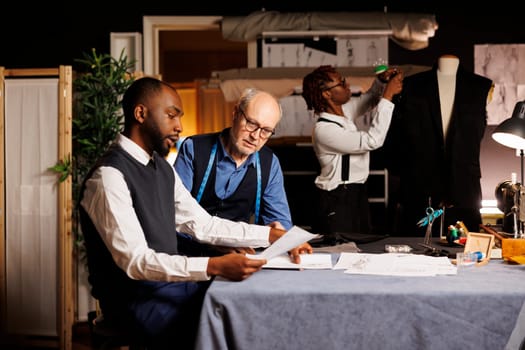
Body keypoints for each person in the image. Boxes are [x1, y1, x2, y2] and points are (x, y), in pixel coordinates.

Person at [78, 77, 312, 350]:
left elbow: (202, 224)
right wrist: (214, 266)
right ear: (140, 114)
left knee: (248, 307)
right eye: (170, 116)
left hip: (171, 287)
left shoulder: (162, 169)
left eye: (179, 118)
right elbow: (137, 263)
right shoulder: (109, 176)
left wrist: (272, 235)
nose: (178, 127)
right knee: (234, 322)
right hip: (135, 301)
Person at [174, 87, 292, 256]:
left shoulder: (269, 163)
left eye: (266, 131)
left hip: (239, 257)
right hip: (189, 255)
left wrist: (279, 230)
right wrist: (216, 244)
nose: (255, 136)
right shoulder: (194, 149)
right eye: (251, 124)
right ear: (236, 112)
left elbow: (281, 226)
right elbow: (176, 216)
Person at [384, 54, 493, 236]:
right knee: (415, 248)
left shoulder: (480, 86)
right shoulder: (413, 85)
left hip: (464, 184)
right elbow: (396, 134)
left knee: (464, 249)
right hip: (419, 185)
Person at [301, 65, 403, 244]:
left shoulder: (342, 114)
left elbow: (369, 100)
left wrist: (381, 82)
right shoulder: (324, 130)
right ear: (327, 94)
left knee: (361, 250)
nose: (347, 85)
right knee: (339, 254)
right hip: (337, 199)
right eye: (341, 83)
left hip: (355, 195)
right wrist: (388, 96)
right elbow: (372, 140)